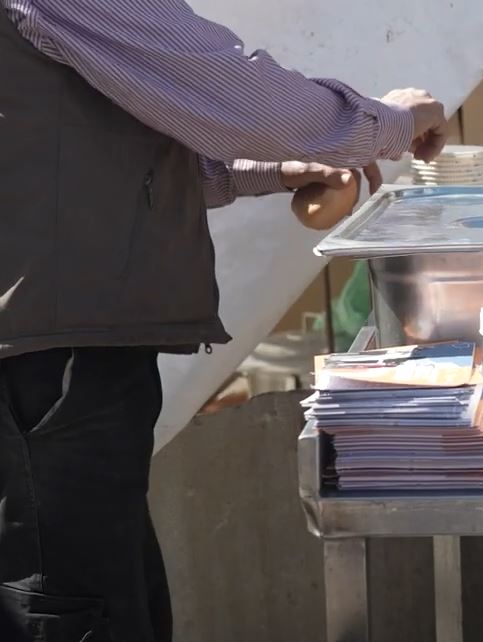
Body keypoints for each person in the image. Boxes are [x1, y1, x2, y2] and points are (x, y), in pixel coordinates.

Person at [0, 1, 448, 640]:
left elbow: (107, 144)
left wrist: (277, 165)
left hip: (58, 349)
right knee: (71, 605)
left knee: (106, 595)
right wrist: (392, 121)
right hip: (48, 357)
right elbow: (231, 91)